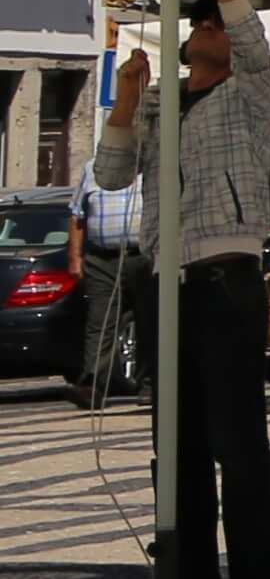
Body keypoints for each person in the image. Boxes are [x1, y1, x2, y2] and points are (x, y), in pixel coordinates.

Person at [96, 0, 270, 579]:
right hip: (162, 281)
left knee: (237, 440)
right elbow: (113, 176)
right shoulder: (161, 102)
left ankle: (259, 568)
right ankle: (190, 566)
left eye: (213, 24)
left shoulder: (251, 93)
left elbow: (255, 44)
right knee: (174, 441)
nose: (202, 29)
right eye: (199, 22)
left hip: (225, 274)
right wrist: (124, 102)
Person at [67, 160, 144, 407]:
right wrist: (75, 259)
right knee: (100, 323)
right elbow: (78, 215)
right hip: (102, 258)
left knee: (151, 319)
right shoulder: (93, 169)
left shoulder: (155, 164)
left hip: (145, 256)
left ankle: (151, 384)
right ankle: (93, 386)